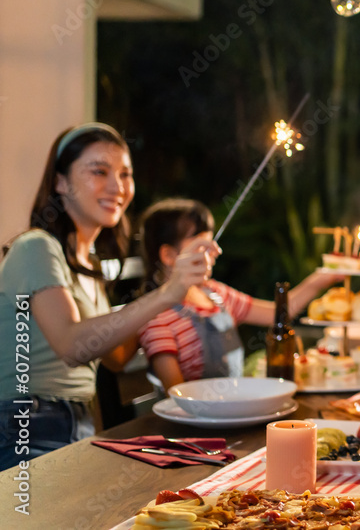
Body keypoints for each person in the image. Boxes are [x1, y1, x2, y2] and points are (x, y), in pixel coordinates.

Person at [0, 123, 218, 468]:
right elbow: (73, 347)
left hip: (79, 424)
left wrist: (177, 298)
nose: (118, 187)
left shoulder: (89, 266)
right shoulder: (36, 247)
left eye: (125, 174)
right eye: (99, 172)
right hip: (23, 425)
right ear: (60, 182)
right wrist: (165, 293)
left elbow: (115, 356)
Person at [137, 198, 340, 391]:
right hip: (197, 421)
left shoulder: (216, 294)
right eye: (202, 246)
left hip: (236, 408)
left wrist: (322, 278)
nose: (214, 252)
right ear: (169, 255)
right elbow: (176, 395)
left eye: (212, 243)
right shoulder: (156, 317)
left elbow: (277, 314)